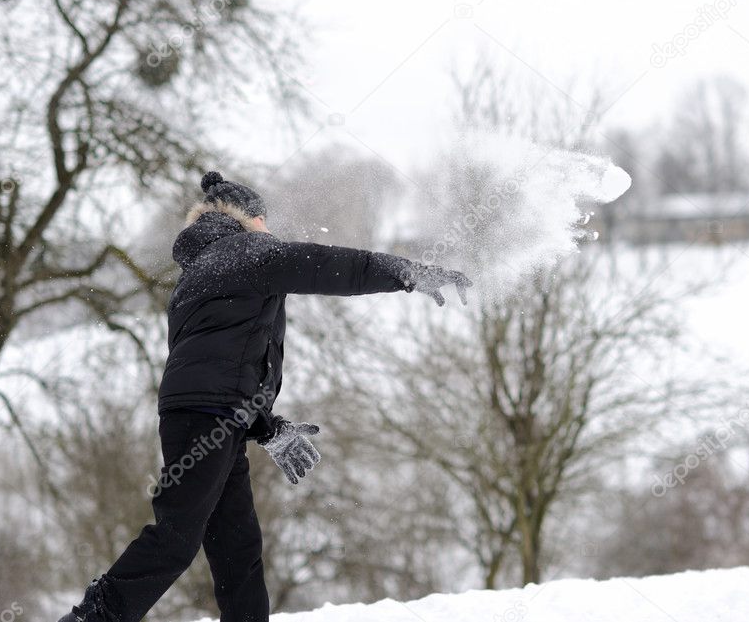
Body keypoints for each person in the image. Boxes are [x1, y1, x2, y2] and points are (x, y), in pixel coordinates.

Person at [59, 171, 472, 622]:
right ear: (250, 220)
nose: (270, 231)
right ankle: (91, 619)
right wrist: (407, 273)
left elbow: (222, 367)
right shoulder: (246, 252)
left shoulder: (197, 273)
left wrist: (266, 427)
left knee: (236, 546)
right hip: (208, 417)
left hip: (211, 416)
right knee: (177, 537)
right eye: (264, 220)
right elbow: (328, 265)